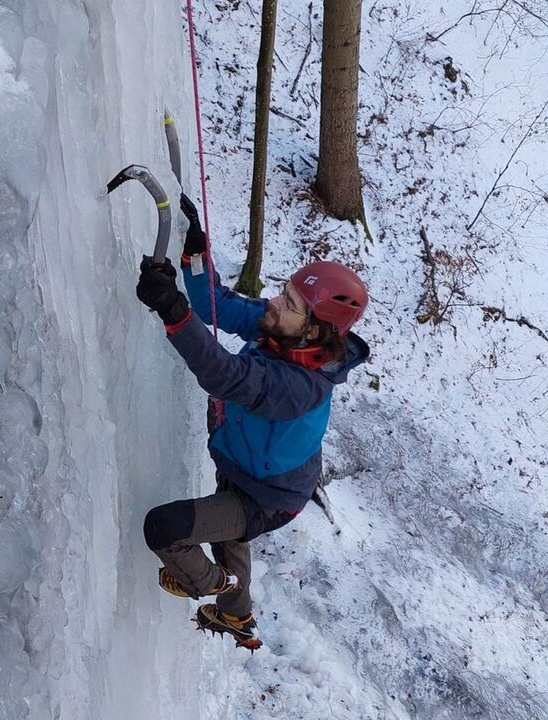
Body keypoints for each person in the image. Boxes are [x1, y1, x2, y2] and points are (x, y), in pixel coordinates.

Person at [135, 195, 370, 651]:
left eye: (291, 303)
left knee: (164, 529)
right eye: (286, 293)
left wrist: (171, 312)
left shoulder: (301, 387)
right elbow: (216, 305)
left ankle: (211, 585)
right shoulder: (283, 327)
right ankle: (237, 616)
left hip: (269, 498)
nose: (275, 303)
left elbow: (226, 375)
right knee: (228, 538)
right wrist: (196, 253)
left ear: (316, 330)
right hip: (243, 461)